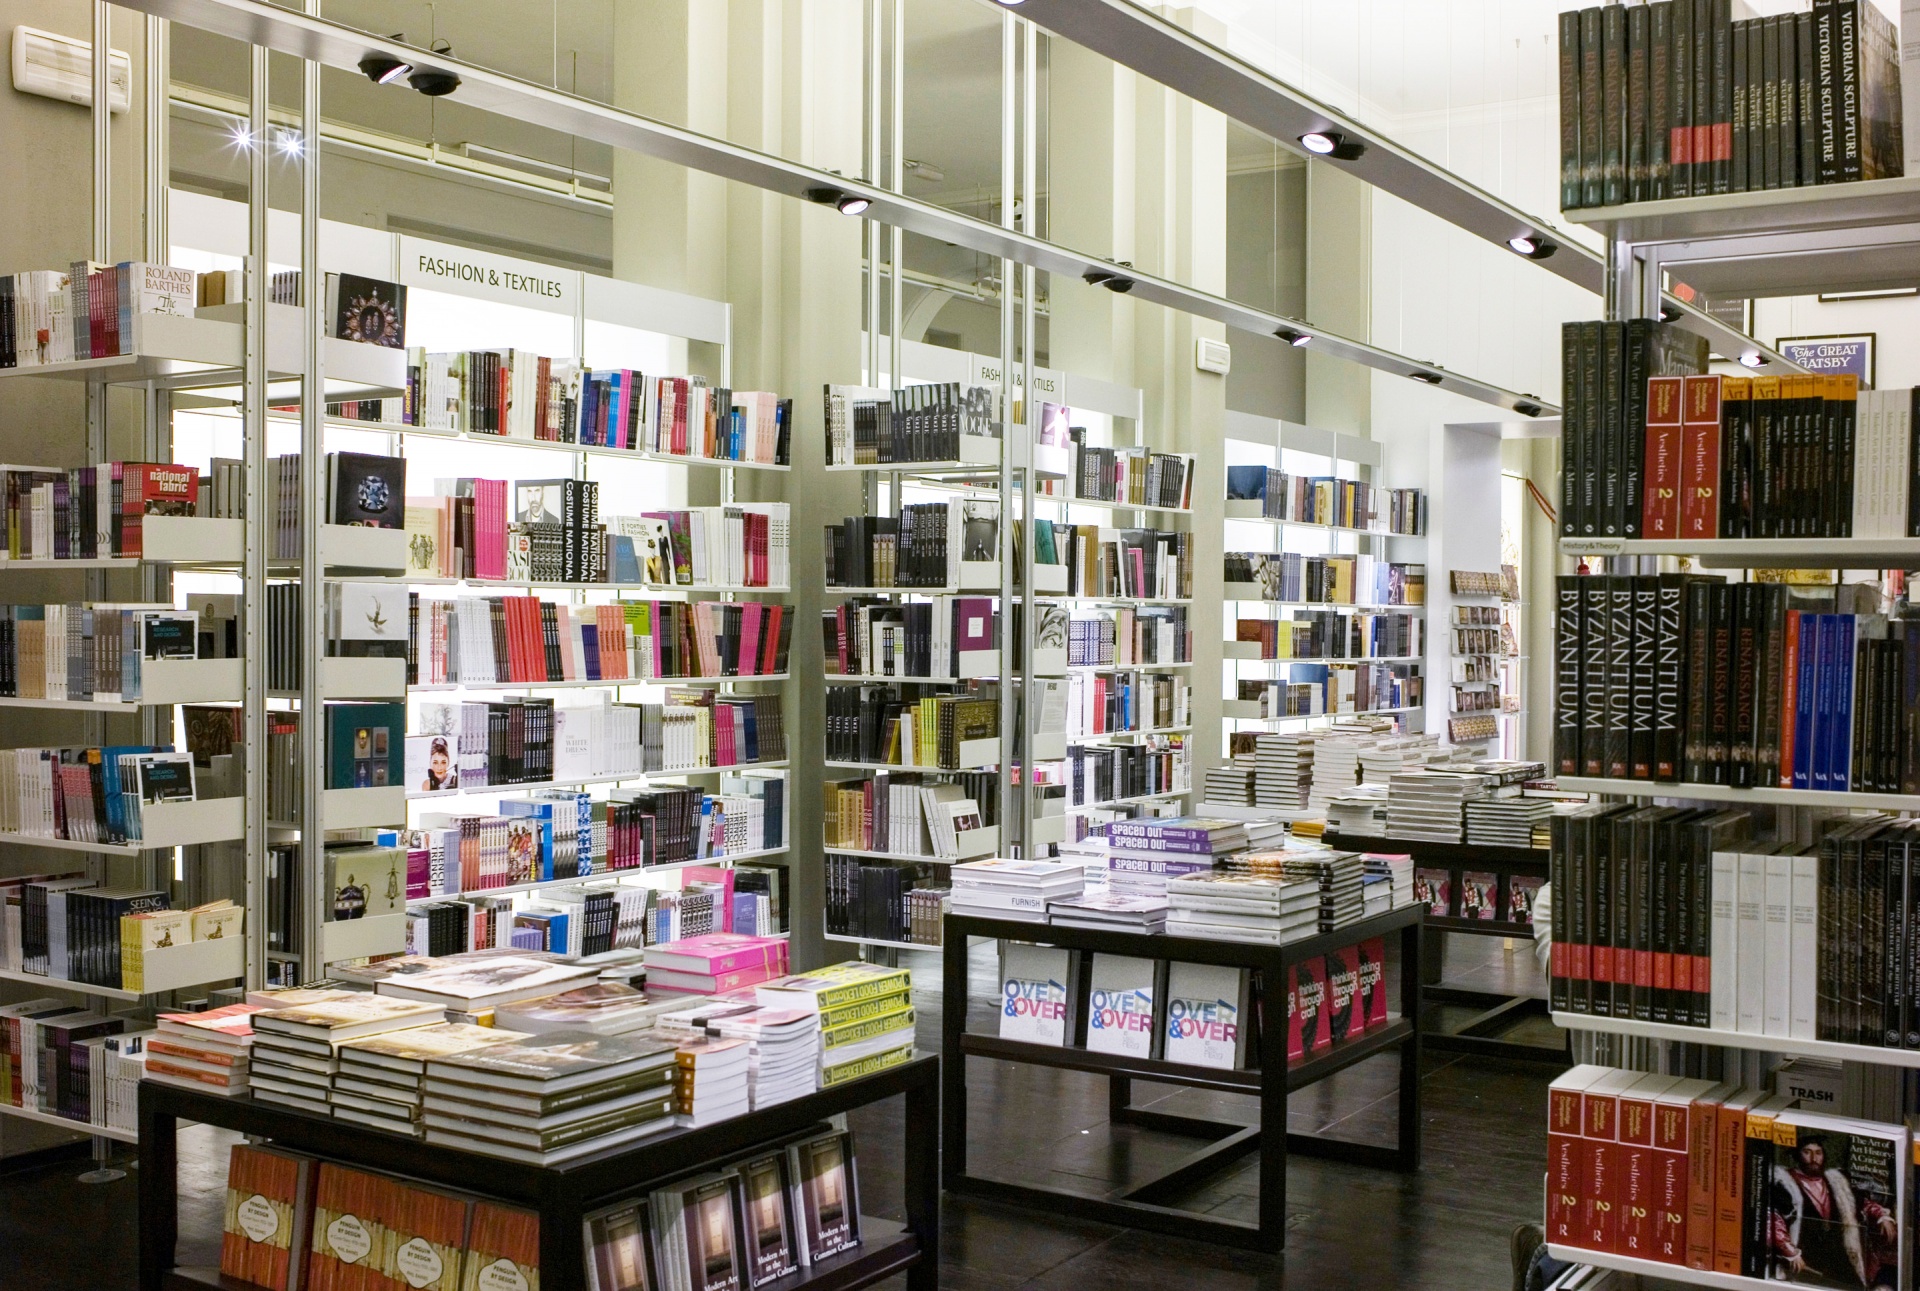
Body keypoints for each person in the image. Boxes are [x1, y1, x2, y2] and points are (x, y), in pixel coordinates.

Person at [1768, 1135, 1896, 1286]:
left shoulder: (1837, 1182)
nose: (1814, 1158)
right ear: (1797, 1155)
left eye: (1818, 1153)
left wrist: (1882, 1216)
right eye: (1807, 1152)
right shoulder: (1784, 1183)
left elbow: (1861, 1202)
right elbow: (1774, 1219)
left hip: (1836, 1255)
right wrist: (1790, 1252)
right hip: (1803, 1257)